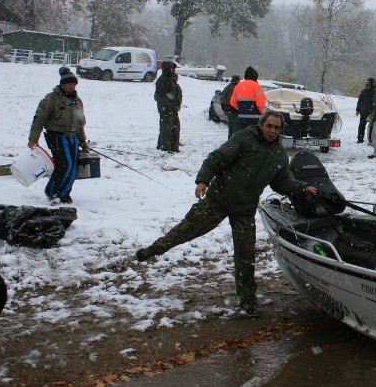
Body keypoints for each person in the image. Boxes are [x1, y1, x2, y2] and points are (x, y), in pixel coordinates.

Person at [135, 111, 318, 315]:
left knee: (246, 255)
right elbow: (217, 158)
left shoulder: (279, 155)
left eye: (276, 128)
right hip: (219, 199)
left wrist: (303, 188)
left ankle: (248, 299)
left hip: (244, 209)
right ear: (261, 125)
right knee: (187, 230)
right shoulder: (244, 138)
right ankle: (155, 249)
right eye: (269, 126)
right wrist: (203, 180)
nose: (272, 131)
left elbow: (282, 182)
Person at [27, 66, 88, 204]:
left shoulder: (78, 101)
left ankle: (64, 193)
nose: (72, 87)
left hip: (73, 137)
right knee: (64, 165)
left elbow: (80, 122)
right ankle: (52, 191)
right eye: (70, 84)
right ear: (63, 84)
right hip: (57, 136)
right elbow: (39, 119)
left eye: (74, 84)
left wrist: (82, 139)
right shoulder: (51, 99)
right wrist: (33, 139)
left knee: (73, 167)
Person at [155, 61, 182, 153]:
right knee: (166, 128)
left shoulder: (171, 79)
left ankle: (173, 146)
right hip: (166, 109)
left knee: (175, 127)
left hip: (173, 109)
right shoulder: (162, 80)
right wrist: (167, 107)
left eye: (173, 68)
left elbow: (175, 93)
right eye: (171, 68)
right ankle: (165, 147)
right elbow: (159, 96)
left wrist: (177, 105)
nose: (172, 70)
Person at [355, 78, 375, 144]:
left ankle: (372, 140)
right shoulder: (363, 91)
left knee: (372, 127)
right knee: (361, 126)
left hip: (372, 113)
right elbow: (359, 101)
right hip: (363, 112)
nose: (367, 85)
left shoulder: (375, 92)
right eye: (367, 84)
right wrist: (358, 110)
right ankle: (360, 139)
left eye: (369, 84)